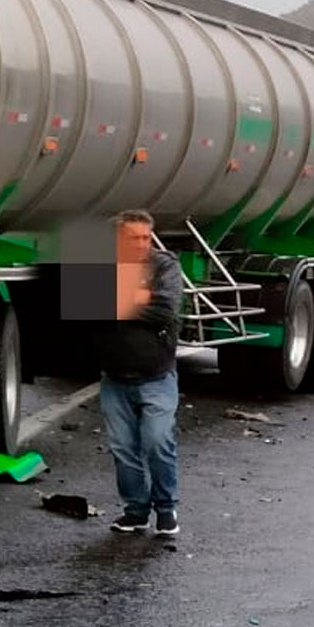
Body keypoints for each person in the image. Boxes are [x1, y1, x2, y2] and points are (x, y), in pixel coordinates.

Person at [97, 210, 185, 536]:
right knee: (123, 449)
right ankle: (135, 511)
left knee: (157, 441)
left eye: (146, 237)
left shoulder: (164, 265)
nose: (141, 244)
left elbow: (166, 309)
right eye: (133, 238)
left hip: (157, 376)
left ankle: (166, 509)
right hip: (114, 378)